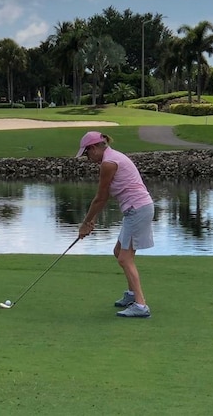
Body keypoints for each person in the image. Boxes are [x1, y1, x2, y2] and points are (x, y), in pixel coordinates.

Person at [75, 131, 154, 318]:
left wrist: (86, 222)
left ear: (94, 148)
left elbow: (101, 197)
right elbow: (104, 197)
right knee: (119, 252)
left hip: (138, 208)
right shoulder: (112, 157)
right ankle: (132, 295)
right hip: (136, 209)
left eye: (87, 153)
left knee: (124, 258)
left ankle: (141, 306)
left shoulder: (109, 163)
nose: (87, 158)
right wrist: (91, 219)